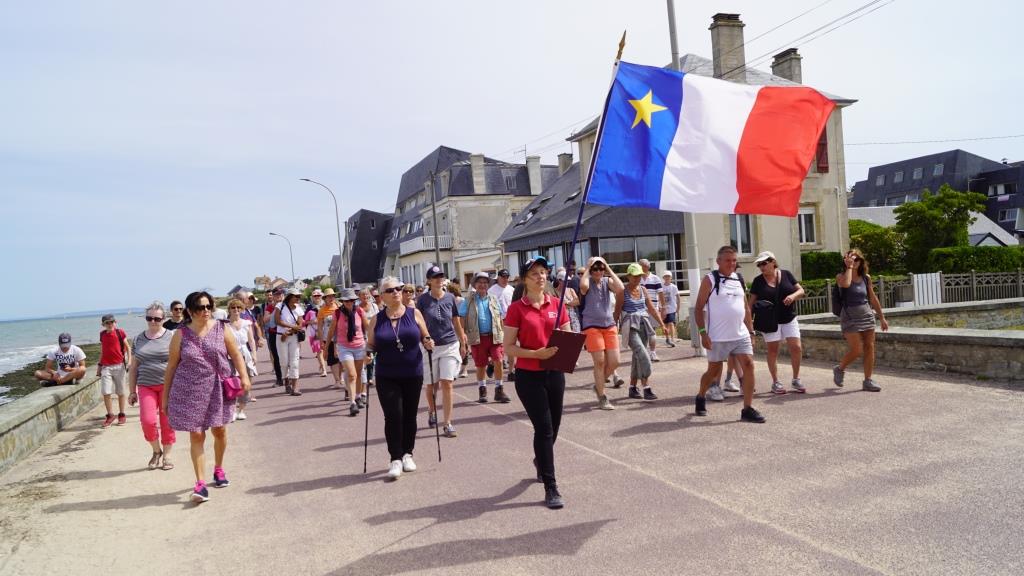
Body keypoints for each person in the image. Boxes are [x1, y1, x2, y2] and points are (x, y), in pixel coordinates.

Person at [162, 291, 252, 503]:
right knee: (197, 435)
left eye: (208, 307)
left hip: (217, 388)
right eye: (201, 308)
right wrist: (164, 397)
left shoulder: (222, 328)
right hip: (189, 390)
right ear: (190, 311)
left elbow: (236, 354)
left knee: (219, 431)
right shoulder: (180, 335)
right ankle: (200, 484)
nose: (206, 311)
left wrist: (245, 377)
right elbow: (172, 366)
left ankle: (218, 469)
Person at [502, 256, 570, 509]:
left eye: (543, 272)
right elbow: (509, 347)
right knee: (544, 429)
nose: (541, 277)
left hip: (555, 372)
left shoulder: (557, 303)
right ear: (525, 280)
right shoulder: (516, 309)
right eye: (534, 274)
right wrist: (535, 354)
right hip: (529, 375)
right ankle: (551, 486)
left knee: (555, 425)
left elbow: (566, 334)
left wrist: (571, 345)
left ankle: (541, 459)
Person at [367, 277, 434, 480]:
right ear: (382, 296)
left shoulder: (415, 313)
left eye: (399, 288)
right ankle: (395, 458)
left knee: (409, 415)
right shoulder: (376, 319)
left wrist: (429, 341)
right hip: (387, 375)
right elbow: (371, 344)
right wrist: (368, 352)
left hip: (412, 372)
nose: (396, 292)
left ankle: (407, 454)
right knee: (393, 416)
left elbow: (425, 335)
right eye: (391, 290)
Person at [693, 246, 765, 423]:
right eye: (728, 260)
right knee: (713, 371)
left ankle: (747, 408)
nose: (732, 263)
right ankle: (701, 395)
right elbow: (697, 308)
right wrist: (703, 334)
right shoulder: (710, 279)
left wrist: (750, 331)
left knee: (749, 365)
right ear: (718, 262)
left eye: (734, 260)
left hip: (740, 334)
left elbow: (746, 308)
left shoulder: (738, 278)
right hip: (718, 337)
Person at [417, 265, 468, 437]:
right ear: (429, 281)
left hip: (449, 344)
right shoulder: (422, 300)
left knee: (447, 382)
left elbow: (456, 321)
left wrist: (462, 342)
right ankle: (432, 411)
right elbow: (420, 324)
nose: (439, 279)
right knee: (432, 385)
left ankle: (447, 423)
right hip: (431, 347)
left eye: (441, 276)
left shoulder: (450, 298)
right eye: (435, 277)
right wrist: (424, 339)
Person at [749, 251, 806, 394]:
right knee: (773, 351)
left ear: (773, 262)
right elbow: (750, 304)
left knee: (796, 347)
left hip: (789, 317)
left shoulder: (786, 274)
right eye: (759, 264)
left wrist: (792, 296)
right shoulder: (758, 281)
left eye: (764, 263)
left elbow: (801, 291)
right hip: (770, 321)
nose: (762, 267)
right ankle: (775, 382)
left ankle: (796, 379)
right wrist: (749, 323)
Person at [128, 301, 176, 470]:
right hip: (145, 385)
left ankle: (167, 455)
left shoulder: (172, 336)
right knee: (147, 421)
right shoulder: (138, 339)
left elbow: (178, 362)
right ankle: (156, 451)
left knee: (167, 421)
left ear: (164, 318)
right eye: (149, 318)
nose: (153, 321)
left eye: (157, 318)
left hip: (167, 385)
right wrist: (131, 391)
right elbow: (133, 367)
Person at [834, 249, 888, 391]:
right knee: (857, 350)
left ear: (861, 261)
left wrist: (882, 317)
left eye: (856, 259)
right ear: (845, 261)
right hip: (850, 317)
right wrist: (849, 268)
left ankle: (868, 380)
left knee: (869, 347)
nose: (854, 261)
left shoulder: (866, 278)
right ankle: (840, 369)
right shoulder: (841, 276)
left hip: (866, 315)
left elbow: (872, 298)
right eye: (851, 259)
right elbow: (846, 284)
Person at [615, 263, 667, 401]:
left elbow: (651, 308)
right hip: (630, 326)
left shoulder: (643, 290)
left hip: (644, 325)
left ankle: (632, 388)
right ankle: (646, 388)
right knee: (643, 355)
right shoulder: (622, 292)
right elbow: (617, 312)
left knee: (637, 358)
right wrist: (613, 329)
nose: (638, 278)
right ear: (628, 276)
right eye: (635, 276)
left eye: (639, 276)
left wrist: (662, 324)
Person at [579, 256, 624, 410]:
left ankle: (598, 385)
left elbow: (620, 289)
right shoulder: (588, 281)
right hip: (591, 325)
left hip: (609, 324)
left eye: (600, 268)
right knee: (599, 361)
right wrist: (587, 267)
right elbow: (583, 287)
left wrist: (608, 268)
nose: (598, 271)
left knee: (615, 361)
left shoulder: (607, 281)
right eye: (595, 268)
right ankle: (602, 396)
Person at [461, 272, 510, 403]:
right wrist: (462, 335)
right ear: (475, 285)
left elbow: (499, 317)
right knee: (481, 365)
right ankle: (482, 390)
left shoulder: (493, 298)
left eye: (485, 282)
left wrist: (503, 333)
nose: (482, 285)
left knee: (499, 361)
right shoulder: (468, 300)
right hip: (477, 337)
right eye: (479, 282)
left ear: (488, 285)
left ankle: (499, 390)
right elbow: (461, 318)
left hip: (494, 336)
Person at [329, 288, 371, 417]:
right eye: (347, 301)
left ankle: (358, 396)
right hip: (344, 347)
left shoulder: (359, 311)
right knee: (351, 374)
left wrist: (373, 344)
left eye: (352, 300)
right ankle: (352, 403)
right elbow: (331, 331)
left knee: (358, 374)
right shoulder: (337, 313)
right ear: (342, 301)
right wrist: (326, 348)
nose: (349, 303)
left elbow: (368, 327)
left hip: (359, 346)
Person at [97, 313, 132, 428]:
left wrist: (129, 361)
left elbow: (128, 347)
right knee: (106, 391)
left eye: (111, 322)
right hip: (106, 367)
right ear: (103, 324)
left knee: (121, 392)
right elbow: (103, 351)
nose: (110, 324)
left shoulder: (120, 332)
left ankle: (121, 414)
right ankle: (110, 415)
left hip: (119, 366)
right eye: (107, 323)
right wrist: (99, 366)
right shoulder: (102, 334)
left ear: (115, 322)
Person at [226, 299, 258, 420]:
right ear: (229, 310)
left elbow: (251, 340)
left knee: (247, 382)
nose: (236, 310)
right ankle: (232, 410)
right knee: (233, 383)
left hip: (245, 353)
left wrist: (254, 354)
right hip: (231, 355)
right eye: (233, 308)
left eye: (238, 308)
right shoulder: (225, 325)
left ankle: (242, 409)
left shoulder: (246, 323)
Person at [275, 289, 306, 395]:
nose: (298, 298)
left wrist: (288, 333)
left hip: (293, 337)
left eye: (299, 296)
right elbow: (277, 321)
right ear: (290, 296)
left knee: (294, 361)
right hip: (280, 337)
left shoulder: (299, 309)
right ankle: (286, 381)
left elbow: (300, 325)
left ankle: (295, 387)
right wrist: (292, 327)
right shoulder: (280, 305)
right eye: (295, 296)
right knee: (284, 362)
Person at [639, 259, 665, 361]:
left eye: (642, 266)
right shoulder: (637, 279)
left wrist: (663, 308)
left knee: (652, 332)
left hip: (653, 308)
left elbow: (661, 293)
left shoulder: (655, 279)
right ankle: (644, 353)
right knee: (642, 332)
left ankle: (653, 353)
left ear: (647, 267)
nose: (640, 268)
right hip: (640, 309)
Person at [318, 288, 343, 390]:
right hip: (328, 338)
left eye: (332, 296)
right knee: (332, 360)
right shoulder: (322, 310)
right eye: (328, 296)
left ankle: (341, 378)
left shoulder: (340, 306)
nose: (331, 298)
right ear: (325, 298)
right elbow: (320, 326)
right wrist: (321, 341)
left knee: (341, 359)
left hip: (341, 337)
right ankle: (337, 380)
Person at [264, 288, 285, 387]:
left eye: (280, 294)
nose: (278, 296)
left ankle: (289, 378)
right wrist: (275, 310)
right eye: (276, 295)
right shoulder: (270, 307)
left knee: (286, 356)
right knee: (276, 357)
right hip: (274, 333)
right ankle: (279, 379)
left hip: (285, 333)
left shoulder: (287, 305)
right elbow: (265, 319)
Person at [358, 288, 379, 386]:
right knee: (365, 355)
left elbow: (379, 319)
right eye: (363, 295)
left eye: (367, 294)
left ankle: (370, 377)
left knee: (372, 355)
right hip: (362, 335)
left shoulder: (374, 307)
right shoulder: (358, 308)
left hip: (374, 333)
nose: (365, 296)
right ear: (359, 297)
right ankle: (363, 376)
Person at [304, 290, 327, 377]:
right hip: (315, 333)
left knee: (326, 351)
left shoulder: (325, 306)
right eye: (315, 296)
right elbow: (304, 321)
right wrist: (312, 322)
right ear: (312, 297)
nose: (317, 297)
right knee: (319, 351)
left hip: (326, 331)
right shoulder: (309, 308)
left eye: (318, 295)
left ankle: (322, 365)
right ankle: (324, 370)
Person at [661, 272, 679, 348]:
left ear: (671, 278)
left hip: (672, 308)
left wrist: (678, 307)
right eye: (665, 276)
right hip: (664, 308)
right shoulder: (661, 287)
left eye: (668, 276)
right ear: (663, 278)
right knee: (665, 325)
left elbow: (678, 297)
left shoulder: (674, 287)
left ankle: (672, 338)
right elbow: (659, 297)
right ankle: (667, 338)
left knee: (671, 323)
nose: (667, 278)